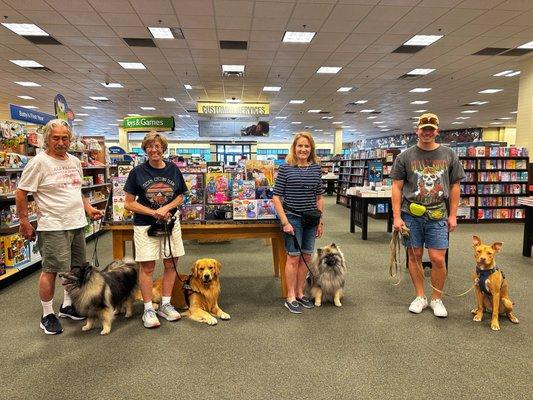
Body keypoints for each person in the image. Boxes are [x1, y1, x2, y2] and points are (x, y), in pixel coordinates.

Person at [16, 119, 103, 335]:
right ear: (47, 139)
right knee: (51, 270)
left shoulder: (74, 161)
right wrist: (24, 222)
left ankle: (67, 306)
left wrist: (88, 208)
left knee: (75, 269)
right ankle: (47, 314)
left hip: (76, 223)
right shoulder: (39, 162)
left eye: (65, 138)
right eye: (56, 138)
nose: (61, 142)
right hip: (53, 225)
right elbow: (20, 192)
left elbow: (77, 190)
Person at [390, 113, 465, 318]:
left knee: (437, 258)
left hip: (438, 213)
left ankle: (437, 298)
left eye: (431, 129)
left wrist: (453, 215)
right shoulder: (404, 157)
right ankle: (420, 296)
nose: (427, 132)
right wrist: (397, 217)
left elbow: (456, 185)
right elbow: (396, 187)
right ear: (417, 131)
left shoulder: (449, 154)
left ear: (437, 131)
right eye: (424, 128)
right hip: (411, 213)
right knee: (414, 256)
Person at [124, 132, 186, 329]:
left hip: (170, 223)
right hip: (145, 225)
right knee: (148, 267)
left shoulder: (173, 169)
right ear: (145, 150)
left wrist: (166, 209)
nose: (154, 150)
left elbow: (180, 196)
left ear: (163, 148)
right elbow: (129, 203)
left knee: (171, 263)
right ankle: (149, 308)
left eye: (157, 146)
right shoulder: (137, 172)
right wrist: (153, 212)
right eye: (150, 146)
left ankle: (166, 304)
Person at [272, 132, 324, 314]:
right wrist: (285, 221)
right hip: (292, 218)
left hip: (311, 218)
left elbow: (319, 197)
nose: (303, 149)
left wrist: (320, 220)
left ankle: (301, 293)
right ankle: (291, 296)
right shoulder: (286, 168)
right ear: (294, 148)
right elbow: (276, 197)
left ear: (311, 149)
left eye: (307, 146)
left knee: (307, 257)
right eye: (300, 146)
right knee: (293, 257)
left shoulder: (316, 168)